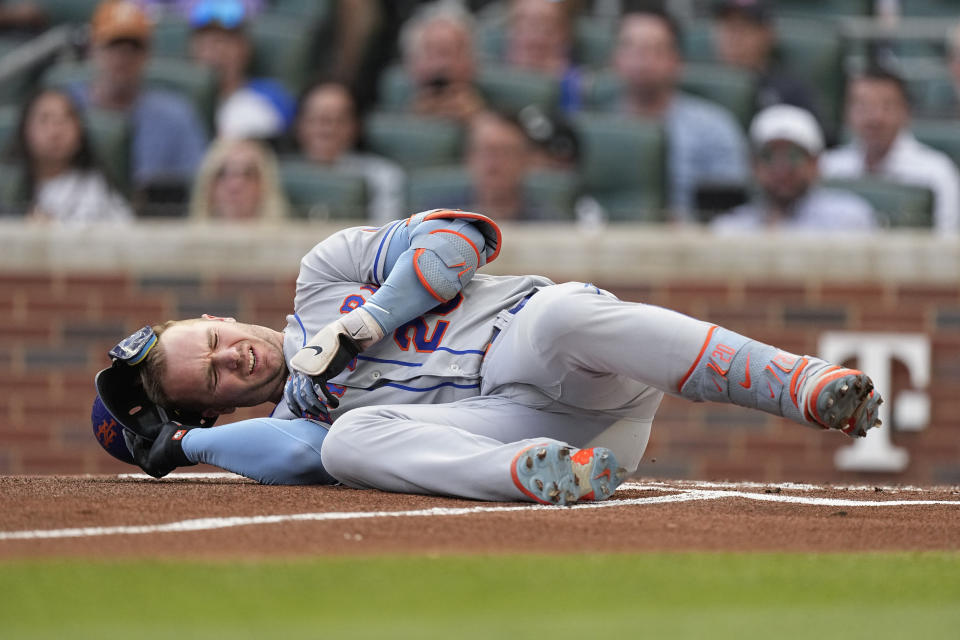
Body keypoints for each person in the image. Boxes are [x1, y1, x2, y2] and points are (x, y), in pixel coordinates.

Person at [93, 209, 883, 505]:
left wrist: (367, 323)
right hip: (537, 434)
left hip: (558, 351)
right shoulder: (298, 417)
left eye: (211, 342)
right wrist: (184, 448)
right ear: (219, 408)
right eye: (217, 379)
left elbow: (463, 238)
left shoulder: (325, 273)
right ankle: (540, 477)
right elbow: (299, 461)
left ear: (210, 316)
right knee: (346, 443)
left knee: (568, 309)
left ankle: (803, 386)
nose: (233, 356)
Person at [611, 7, 749, 219]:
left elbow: (731, 213)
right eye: (631, 48)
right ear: (614, 58)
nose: (641, 60)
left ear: (677, 60)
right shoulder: (594, 125)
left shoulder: (713, 128)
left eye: (654, 50)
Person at [71, 0, 208, 189]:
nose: (123, 58)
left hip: (155, 217)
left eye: (133, 49)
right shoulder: (68, 110)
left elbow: (195, 188)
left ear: (147, 55)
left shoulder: (176, 117)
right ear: (92, 49)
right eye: (113, 47)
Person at [820, 66, 960, 233]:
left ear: (905, 111)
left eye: (887, 106)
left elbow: (945, 240)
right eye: (863, 106)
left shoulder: (937, 172)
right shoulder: (828, 169)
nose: (874, 118)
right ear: (846, 113)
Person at [711, 104, 876, 232]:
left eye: (793, 155)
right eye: (768, 155)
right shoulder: (730, 229)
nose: (781, 167)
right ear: (754, 166)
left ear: (815, 163)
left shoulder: (849, 220)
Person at [1, 89, 134, 224]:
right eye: (44, 120)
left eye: (65, 120)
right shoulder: (6, 185)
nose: (55, 131)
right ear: (25, 129)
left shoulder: (96, 189)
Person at [294, 82, 405, 224]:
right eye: (317, 120)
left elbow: (385, 236)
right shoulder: (273, 172)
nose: (326, 130)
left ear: (355, 126)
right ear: (299, 125)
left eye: (338, 121)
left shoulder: (383, 177)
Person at [187, 0, 295, 139]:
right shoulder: (180, 102)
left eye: (224, 42)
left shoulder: (271, 98)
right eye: (206, 44)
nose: (215, 53)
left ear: (245, 48)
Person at [710, 0, 821, 121]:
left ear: (768, 34)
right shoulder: (704, 84)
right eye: (726, 28)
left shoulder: (791, 91)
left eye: (743, 28)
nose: (733, 39)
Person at [399, 1, 485, 124]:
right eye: (430, 54)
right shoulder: (393, 114)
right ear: (411, 64)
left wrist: (475, 118)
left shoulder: (494, 114)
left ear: (472, 62)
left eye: (448, 52)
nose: (441, 66)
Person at [502, 0, 583, 112]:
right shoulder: (491, 75)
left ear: (565, 34)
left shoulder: (578, 84)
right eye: (526, 27)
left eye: (548, 30)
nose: (536, 38)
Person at [187, 137, 288, 221]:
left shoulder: (290, 243)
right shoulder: (182, 240)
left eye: (248, 174)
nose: (235, 185)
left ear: (265, 185)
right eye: (222, 173)